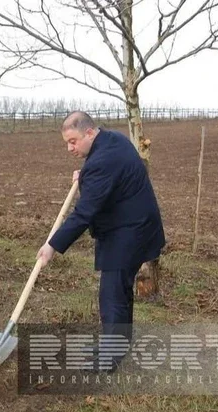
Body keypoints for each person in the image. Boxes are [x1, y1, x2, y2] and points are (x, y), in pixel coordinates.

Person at [36, 111, 165, 372]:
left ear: (90, 132)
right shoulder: (113, 140)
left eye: (73, 141)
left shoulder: (101, 162)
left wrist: (51, 245)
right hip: (136, 225)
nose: (69, 148)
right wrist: (83, 177)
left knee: (112, 294)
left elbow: (84, 212)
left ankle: (110, 357)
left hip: (128, 232)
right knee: (121, 290)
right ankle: (117, 344)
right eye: (66, 143)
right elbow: (104, 176)